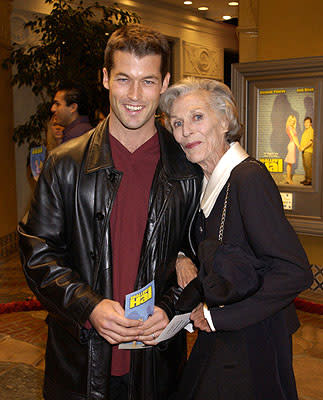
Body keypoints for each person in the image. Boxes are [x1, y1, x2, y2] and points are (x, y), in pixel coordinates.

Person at [18, 25, 202, 400]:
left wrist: (169, 307)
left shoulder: (188, 169)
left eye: (148, 81)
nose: (135, 96)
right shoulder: (64, 164)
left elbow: (204, 254)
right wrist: (90, 306)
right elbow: (38, 254)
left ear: (164, 83)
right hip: (79, 364)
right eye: (124, 79)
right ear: (105, 78)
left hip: (156, 366)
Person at [160, 77, 313, 400]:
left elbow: (294, 271)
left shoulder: (248, 178)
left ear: (225, 120)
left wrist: (220, 317)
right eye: (177, 123)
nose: (186, 131)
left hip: (255, 341)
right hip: (227, 335)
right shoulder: (206, 181)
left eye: (197, 117)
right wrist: (182, 258)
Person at [284, 114, 300, 184]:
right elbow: (293, 137)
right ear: (289, 121)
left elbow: (295, 138)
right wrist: (298, 145)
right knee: (289, 162)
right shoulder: (289, 127)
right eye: (291, 121)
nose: (292, 122)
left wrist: (297, 145)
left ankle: (288, 178)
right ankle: (288, 179)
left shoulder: (292, 128)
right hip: (292, 145)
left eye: (294, 121)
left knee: (290, 163)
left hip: (293, 145)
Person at [299, 116, 314, 185]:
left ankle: (310, 180)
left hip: (308, 151)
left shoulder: (311, 130)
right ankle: (306, 179)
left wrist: (303, 147)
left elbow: (311, 141)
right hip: (304, 151)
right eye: (305, 122)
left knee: (308, 166)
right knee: (305, 166)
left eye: (307, 122)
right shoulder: (305, 131)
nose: (306, 124)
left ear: (310, 123)